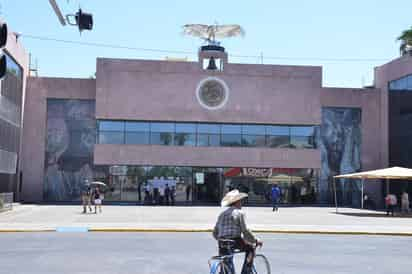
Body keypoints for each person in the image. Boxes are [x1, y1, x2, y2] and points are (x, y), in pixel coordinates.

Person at [213, 189, 263, 274]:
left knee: (226, 259)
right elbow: (245, 231)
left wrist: (220, 238)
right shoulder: (240, 213)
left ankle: (224, 270)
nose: (241, 203)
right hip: (235, 240)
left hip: (222, 241)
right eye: (240, 201)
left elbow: (215, 232)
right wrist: (255, 240)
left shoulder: (221, 214)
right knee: (250, 248)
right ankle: (246, 272)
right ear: (237, 202)